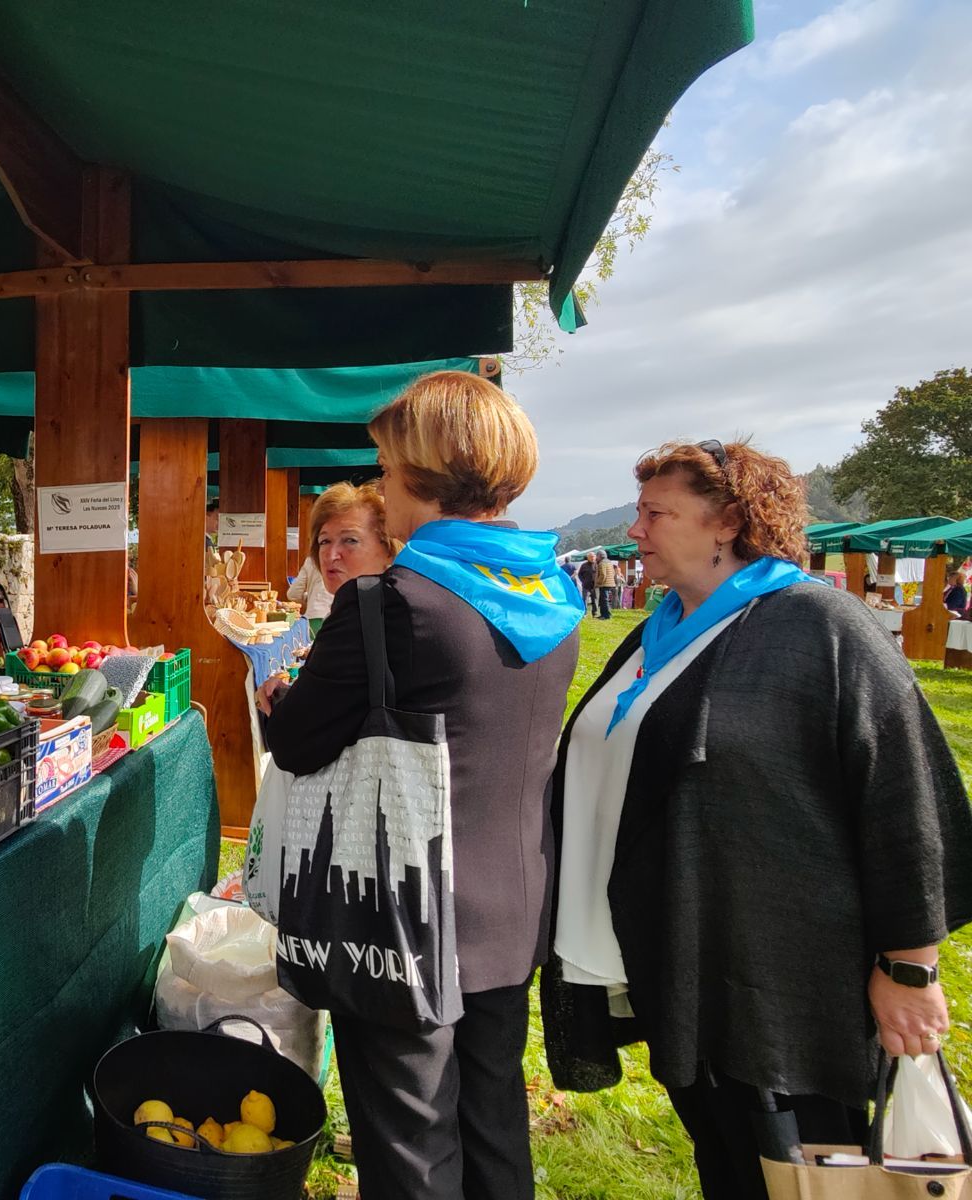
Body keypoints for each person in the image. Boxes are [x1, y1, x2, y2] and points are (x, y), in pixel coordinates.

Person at [544, 439, 972, 1200]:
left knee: (802, 1169)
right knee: (729, 1156)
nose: (635, 531)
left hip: (784, 983)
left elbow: (904, 799)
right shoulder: (660, 631)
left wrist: (910, 968)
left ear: (728, 522)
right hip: (689, 959)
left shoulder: (821, 628)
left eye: (655, 513)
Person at [264, 370, 583, 1200]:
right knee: (493, 1130)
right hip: (512, 911)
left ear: (423, 470)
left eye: (383, 465)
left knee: (410, 1150)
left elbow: (297, 744)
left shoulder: (387, 605)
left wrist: (277, 698)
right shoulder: (553, 593)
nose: (379, 485)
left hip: (403, 914)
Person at [286, 480, 396, 636]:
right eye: (324, 541)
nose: (331, 556)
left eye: (350, 540)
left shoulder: (394, 621)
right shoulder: (341, 618)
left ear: (388, 550)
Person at [594, 551, 616, 619]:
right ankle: (605, 614)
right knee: (604, 600)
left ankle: (606, 615)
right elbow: (613, 572)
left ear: (600, 556)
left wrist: (598, 583)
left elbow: (603, 575)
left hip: (604, 584)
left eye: (597, 556)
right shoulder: (609, 562)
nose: (596, 557)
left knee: (604, 600)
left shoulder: (602, 563)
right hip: (610, 583)